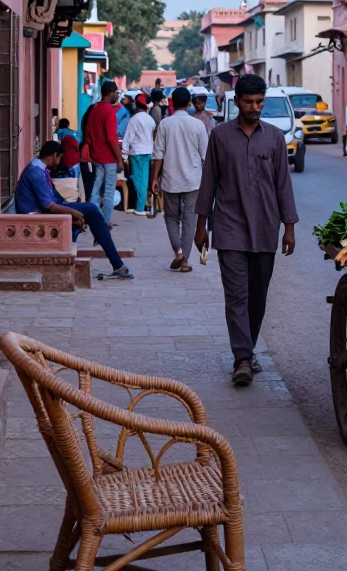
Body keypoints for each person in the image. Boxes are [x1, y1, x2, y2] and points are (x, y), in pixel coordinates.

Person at [194, 73, 298, 387]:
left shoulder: (275, 138)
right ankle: (242, 358)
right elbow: (209, 181)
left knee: (258, 297)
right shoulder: (221, 136)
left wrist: (289, 228)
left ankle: (248, 349)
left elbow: (284, 186)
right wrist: (201, 225)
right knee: (236, 295)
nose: (255, 107)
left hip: (266, 227)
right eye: (249, 102)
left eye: (259, 102)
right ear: (237, 101)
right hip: (229, 227)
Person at [15, 142, 133, 280]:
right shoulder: (36, 172)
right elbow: (50, 206)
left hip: (43, 211)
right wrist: (73, 212)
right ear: (54, 156)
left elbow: (54, 200)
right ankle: (117, 264)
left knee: (88, 215)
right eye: (59, 158)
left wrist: (72, 210)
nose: (59, 163)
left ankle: (108, 259)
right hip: (36, 216)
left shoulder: (38, 167)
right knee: (91, 209)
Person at [150, 86, 209, 273]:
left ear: (172, 103)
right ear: (189, 103)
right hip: (193, 180)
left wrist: (154, 178)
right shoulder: (198, 125)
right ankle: (185, 261)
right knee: (189, 219)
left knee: (171, 218)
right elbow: (205, 155)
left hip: (170, 179)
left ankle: (178, 251)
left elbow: (158, 153)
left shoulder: (165, 124)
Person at [85, 80, 124, 225]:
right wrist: (119, 159)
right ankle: (105, 223)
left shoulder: (94, 109)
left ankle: (93, 219)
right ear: (112, 92)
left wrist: (94, 150)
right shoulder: (109, 111)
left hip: (96, 157)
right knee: (108, 192)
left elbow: (88, 134)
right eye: (116, 93)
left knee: (95, 190)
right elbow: (111, 138)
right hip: (108, 158)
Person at [122, 93, 154, 215]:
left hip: (135, 152)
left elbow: (128, 138)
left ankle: (140, 207)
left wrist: (124, 154)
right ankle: (140, 205)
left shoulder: (134, 119)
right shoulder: (150, 119)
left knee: (136, 178)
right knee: (143, 179)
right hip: (147, 152)